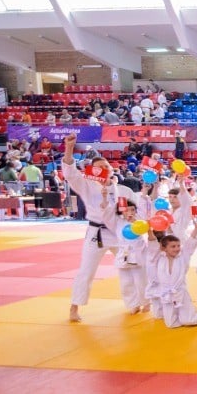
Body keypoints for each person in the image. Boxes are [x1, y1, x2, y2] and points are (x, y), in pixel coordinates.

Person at [60, 133, 119, 323]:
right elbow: (70, 173)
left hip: (117, 232)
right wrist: (69, 149)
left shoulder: (118, 187)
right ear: (92, 170)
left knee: (133, 264)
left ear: (111, 169)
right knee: (86, 270)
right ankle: (74, 306)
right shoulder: (86, 185)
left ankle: (140, 301)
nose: (104, 169)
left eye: (106, 166)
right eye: (99, 167)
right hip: (96, 232)